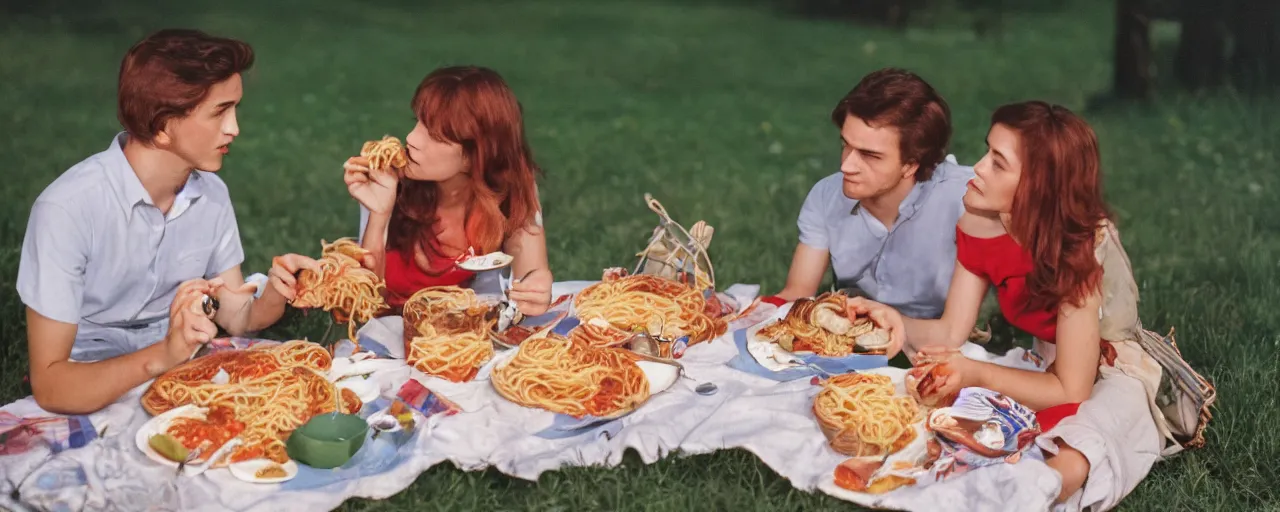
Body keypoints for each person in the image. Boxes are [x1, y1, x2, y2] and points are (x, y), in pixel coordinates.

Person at [853, 101, 1208, 507]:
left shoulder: (1078, 251)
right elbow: (951, 332)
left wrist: (979, 374)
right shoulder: (978, 223)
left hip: (1110, 371)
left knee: (1078, 449)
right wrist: (889, 319)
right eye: (987, 151)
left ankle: (1016, 497)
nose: (978, 168)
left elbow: (1072, 389)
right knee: (948, 395)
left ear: (1037, 186)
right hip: (1049, 365)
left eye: (998, 163)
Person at [17, 29, 319, 415]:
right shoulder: (66, 210)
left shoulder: (211, 195)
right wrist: (164, 355)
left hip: (180, 356)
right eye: (219, 111)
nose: (235, 128)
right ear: (161, 127)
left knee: (288, 396)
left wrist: (278, 290)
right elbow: (51, 386)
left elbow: (238, 316)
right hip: (90, 373)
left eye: (235, 108)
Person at [768, 68, 974, 356]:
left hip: (939, 344)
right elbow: (797, 293)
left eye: (869, 155)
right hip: (850, 334)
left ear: (911, 164)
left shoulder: (966, 198)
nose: (846, 166)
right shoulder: (826, 195)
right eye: (846, 146)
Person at [344, 66, 553, 316]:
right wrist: (379, 216)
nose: (411, 138)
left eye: (435, 135)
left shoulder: (509, 189)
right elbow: (362, 306)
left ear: (477, 155)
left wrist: (537, 288)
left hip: (465, 330)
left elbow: (531, 274)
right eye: (418, 122)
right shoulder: (386, 180)